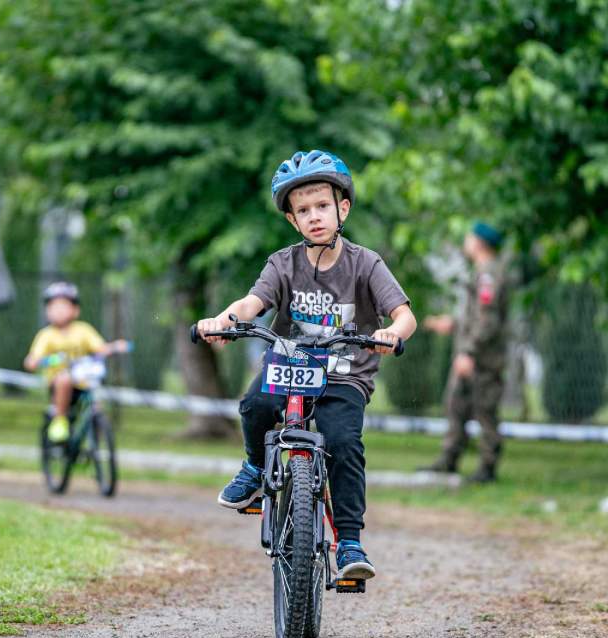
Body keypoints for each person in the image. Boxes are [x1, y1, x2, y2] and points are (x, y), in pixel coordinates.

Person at [197, 150, 416, 581]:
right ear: (292, 221)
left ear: (343, 209)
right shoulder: (283, 263)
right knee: (256, 405)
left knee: (344, 443)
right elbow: (251, 303)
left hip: (344, 375)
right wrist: (224, 321)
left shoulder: (366, 263)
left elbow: (405, 315)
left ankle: (350, 541)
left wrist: (393, 334)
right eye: (303, 210)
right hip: (289, 365)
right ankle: (256, 468)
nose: (314, 216)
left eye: (322, 206)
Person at [422, 222, 509, 483]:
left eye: (470, 237)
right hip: (472, 355)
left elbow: (489, 321)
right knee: (456, 406)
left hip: (482, 359)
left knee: (484, 410)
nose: (466, 241)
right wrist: (453, 323)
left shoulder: (488, 274)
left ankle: (488, 467)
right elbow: (477, 317)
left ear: (480, 243)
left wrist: (469, 352)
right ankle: (449, 458)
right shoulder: (482, 272)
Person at [24, 281, 127, 443]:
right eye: (53, 307)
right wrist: (37, 361)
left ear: (75, 310)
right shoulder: (46, 335)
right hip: (59, 384)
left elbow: (99, 348)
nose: (58, 311)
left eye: (63, 306)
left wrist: (115, 346)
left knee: (96, 391)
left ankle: (96, 425)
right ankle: (60, 421)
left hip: (83, 381)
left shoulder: (83, 330)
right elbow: (32, 360)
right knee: (64, 378)